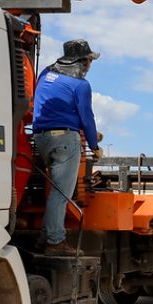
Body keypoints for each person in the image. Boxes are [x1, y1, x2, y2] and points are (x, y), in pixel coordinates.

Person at [32, 39, 103, 256]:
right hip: (65, 139)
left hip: (42, 138)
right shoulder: (81, 85)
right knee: (61, 193)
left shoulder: (46, 73)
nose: (90, 64)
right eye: (90, 60)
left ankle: (45, 236)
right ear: (82, 62)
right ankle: (55, 242)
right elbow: (86, 117)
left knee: (54, 191)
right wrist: (94, 145)